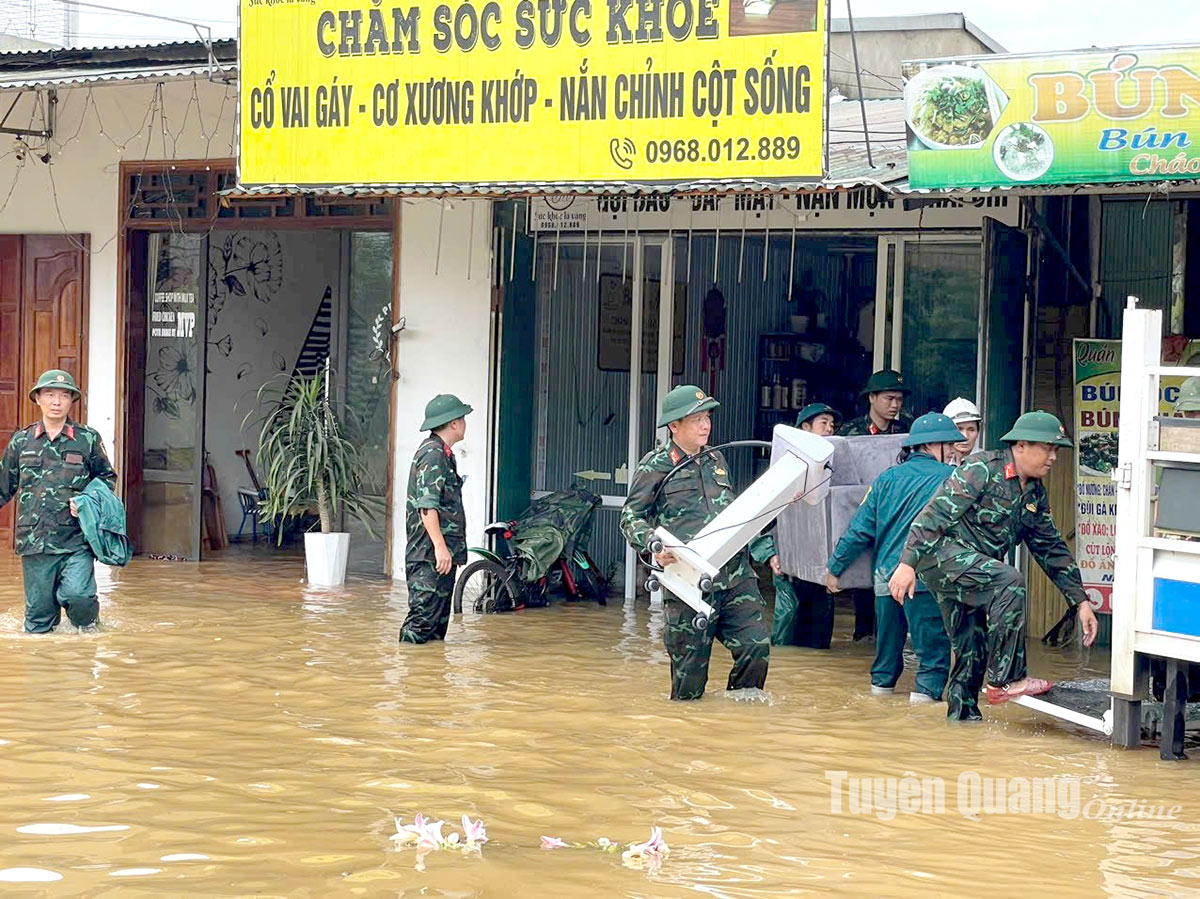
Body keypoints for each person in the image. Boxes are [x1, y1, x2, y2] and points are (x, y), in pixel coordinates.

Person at [888, 411, 1100, 720]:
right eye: (1048, 449)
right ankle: (1009, 678)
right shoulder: (982, 469)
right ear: (1022, 446)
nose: (1053, 457)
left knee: (971, 648)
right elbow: (933, 515)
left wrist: (1080, 601)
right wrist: (907, 565)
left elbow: (1051, 549)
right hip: (943, 557)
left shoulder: (1034, 494)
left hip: (975, 574)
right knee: (1010, 581)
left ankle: (962, 723)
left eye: (1057, 450)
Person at [620, 385, 774, 700]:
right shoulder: (656, 466)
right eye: (696, 420)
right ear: (673, 426)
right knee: (688, 685)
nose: (705, 426)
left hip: (734, 577)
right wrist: (654, 545)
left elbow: (736, 513)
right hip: (688, 583)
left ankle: (739, 727)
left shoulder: (716, 459)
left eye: (707, 418)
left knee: (756, 647)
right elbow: (630, 517)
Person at [825, 414, 961, 703]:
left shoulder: (885, 480)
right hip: (924, 585)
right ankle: (919, 735)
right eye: (949, 444)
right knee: (933, 660)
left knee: (885, 661)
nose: (952, 451)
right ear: (931, 445)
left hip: (886, 585)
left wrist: (835, 569)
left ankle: (877, 718)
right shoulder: (952, 480)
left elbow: (859, 530)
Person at [0, 370, 116, 633]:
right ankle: (47, 669)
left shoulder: (87, 439)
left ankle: (86, 644)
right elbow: (3, 485)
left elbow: (106, 478)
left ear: (71, 401)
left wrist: (87, 500)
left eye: (64, 396)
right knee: (39, 623)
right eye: (50, 395)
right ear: (38, 399)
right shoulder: (22, 441)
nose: (56, 401)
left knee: (80, 598)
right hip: (35, 542)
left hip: (76, 539)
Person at [401, 394, 472, 645]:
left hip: (440, 556)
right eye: (462, 419)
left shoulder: (444, 453)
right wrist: (440, 548)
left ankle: (430, 680)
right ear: (453, 423)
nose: (465, 423)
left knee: (436, 629)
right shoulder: (433, 455)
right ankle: (409, 676)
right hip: (429, 555)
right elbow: (426, 507)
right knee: (421, 623)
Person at [768, 402, 840, 648]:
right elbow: (760, 521)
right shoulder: (783, 469)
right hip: (791, 570)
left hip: (822, 572)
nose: (830, 430)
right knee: (788, 636)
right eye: (824, 424)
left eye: (832, 425)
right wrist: (770, 555)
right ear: (805, 428)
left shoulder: (835, 471)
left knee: (819, 644)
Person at [839, 369, 911, 437]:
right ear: (872, 397)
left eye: (899, 399)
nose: (895, 405)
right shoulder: (849, 432)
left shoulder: (904, 431)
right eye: (889, 398)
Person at [943, 397, 982, 463]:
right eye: (959, 429)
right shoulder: (941, 462)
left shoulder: (989, 463)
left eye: (971, 430)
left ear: (978, 432)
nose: (965, 436)